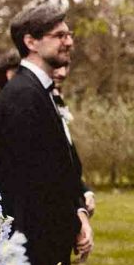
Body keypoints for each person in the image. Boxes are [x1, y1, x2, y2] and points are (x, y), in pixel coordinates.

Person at [0, 4, 92, 265]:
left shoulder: (37, 92)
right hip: (30, 248)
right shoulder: (23, 97)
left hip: (40, 241)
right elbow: (37, 182)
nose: (68, 41)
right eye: (59, 35)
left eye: (69, 34)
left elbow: (59, 168)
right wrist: (75, 223)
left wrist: (78, 212)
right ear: (31, 42)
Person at [51, 64, 95, 218]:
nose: (62, 73)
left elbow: (69, 164)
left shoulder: (58, 105)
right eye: (56, 67)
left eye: (66, 67)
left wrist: (85, 192)